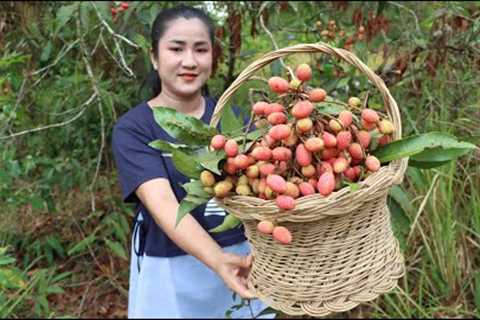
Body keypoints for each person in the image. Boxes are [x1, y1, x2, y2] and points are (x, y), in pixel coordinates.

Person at [111, 5, 274, 319]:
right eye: (176, 49)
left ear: (212, 57)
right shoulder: (135, 128)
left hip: (245, 262)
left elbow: (264, 191)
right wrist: (217, 260)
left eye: (201, 49)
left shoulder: (238, 119)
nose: (189, 61)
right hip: (170, 271)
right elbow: (164, 206)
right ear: (155, 57)